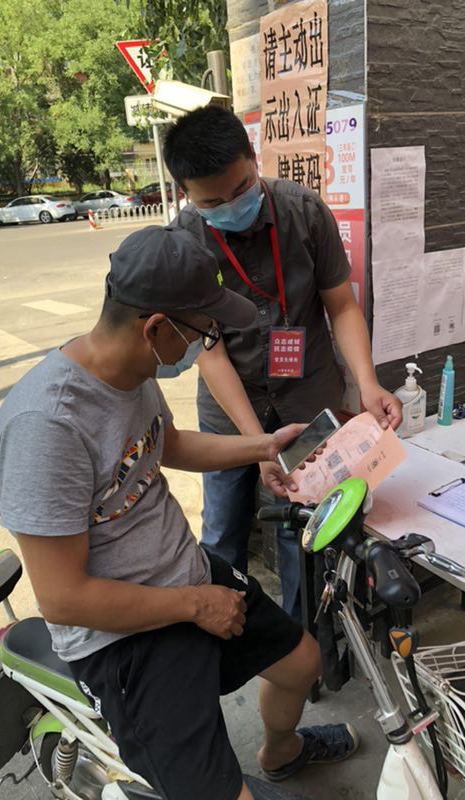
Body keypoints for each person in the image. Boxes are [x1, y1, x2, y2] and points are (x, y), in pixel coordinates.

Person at [0, 226, 360, 800]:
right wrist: (195, 605)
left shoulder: (128, 372)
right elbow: (64, 598)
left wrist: (262, 448)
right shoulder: (47, 428)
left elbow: (168, 443)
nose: (204, 344)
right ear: (156, 328)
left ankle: (280, 752)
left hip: (187, 574)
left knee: (301, 661)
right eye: (202, 331)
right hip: (122, 638)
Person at [164, 106, 402, 618]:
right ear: (186, 193)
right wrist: (258, 445)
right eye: (212, 202)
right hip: (231, 406)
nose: (231, 206)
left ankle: (303, 637)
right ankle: (226, 630)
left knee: (308, 525)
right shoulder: (184, 240)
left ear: (253, 158)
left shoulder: (304, 211)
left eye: (240, 188)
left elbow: (341, 306)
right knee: (223, 528)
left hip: (307, 394)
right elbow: (209, 351)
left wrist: (367, 382)